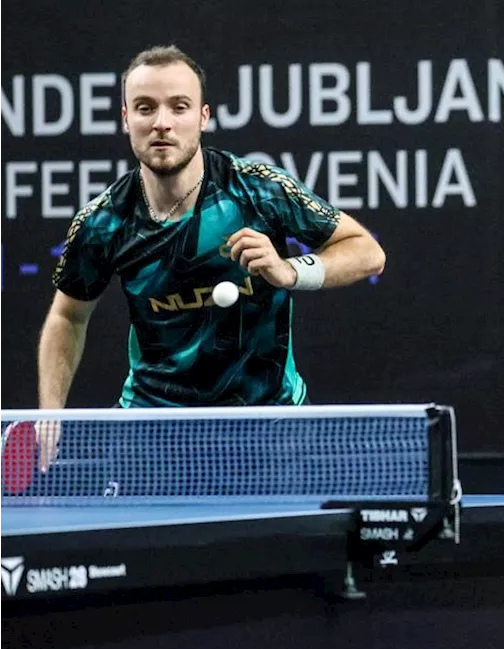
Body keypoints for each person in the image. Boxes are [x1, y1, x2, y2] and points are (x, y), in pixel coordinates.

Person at [37, 44, 384, 418]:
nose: (161, 122)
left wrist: (291, 271)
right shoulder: (103, 221)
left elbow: (368, 253)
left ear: (203, 117)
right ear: (126, 119)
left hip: (272, 419)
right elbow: (68, 316)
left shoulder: (258, 190)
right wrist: (49, 416)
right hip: (153, 423)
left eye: (179, 106)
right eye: (145, 107)